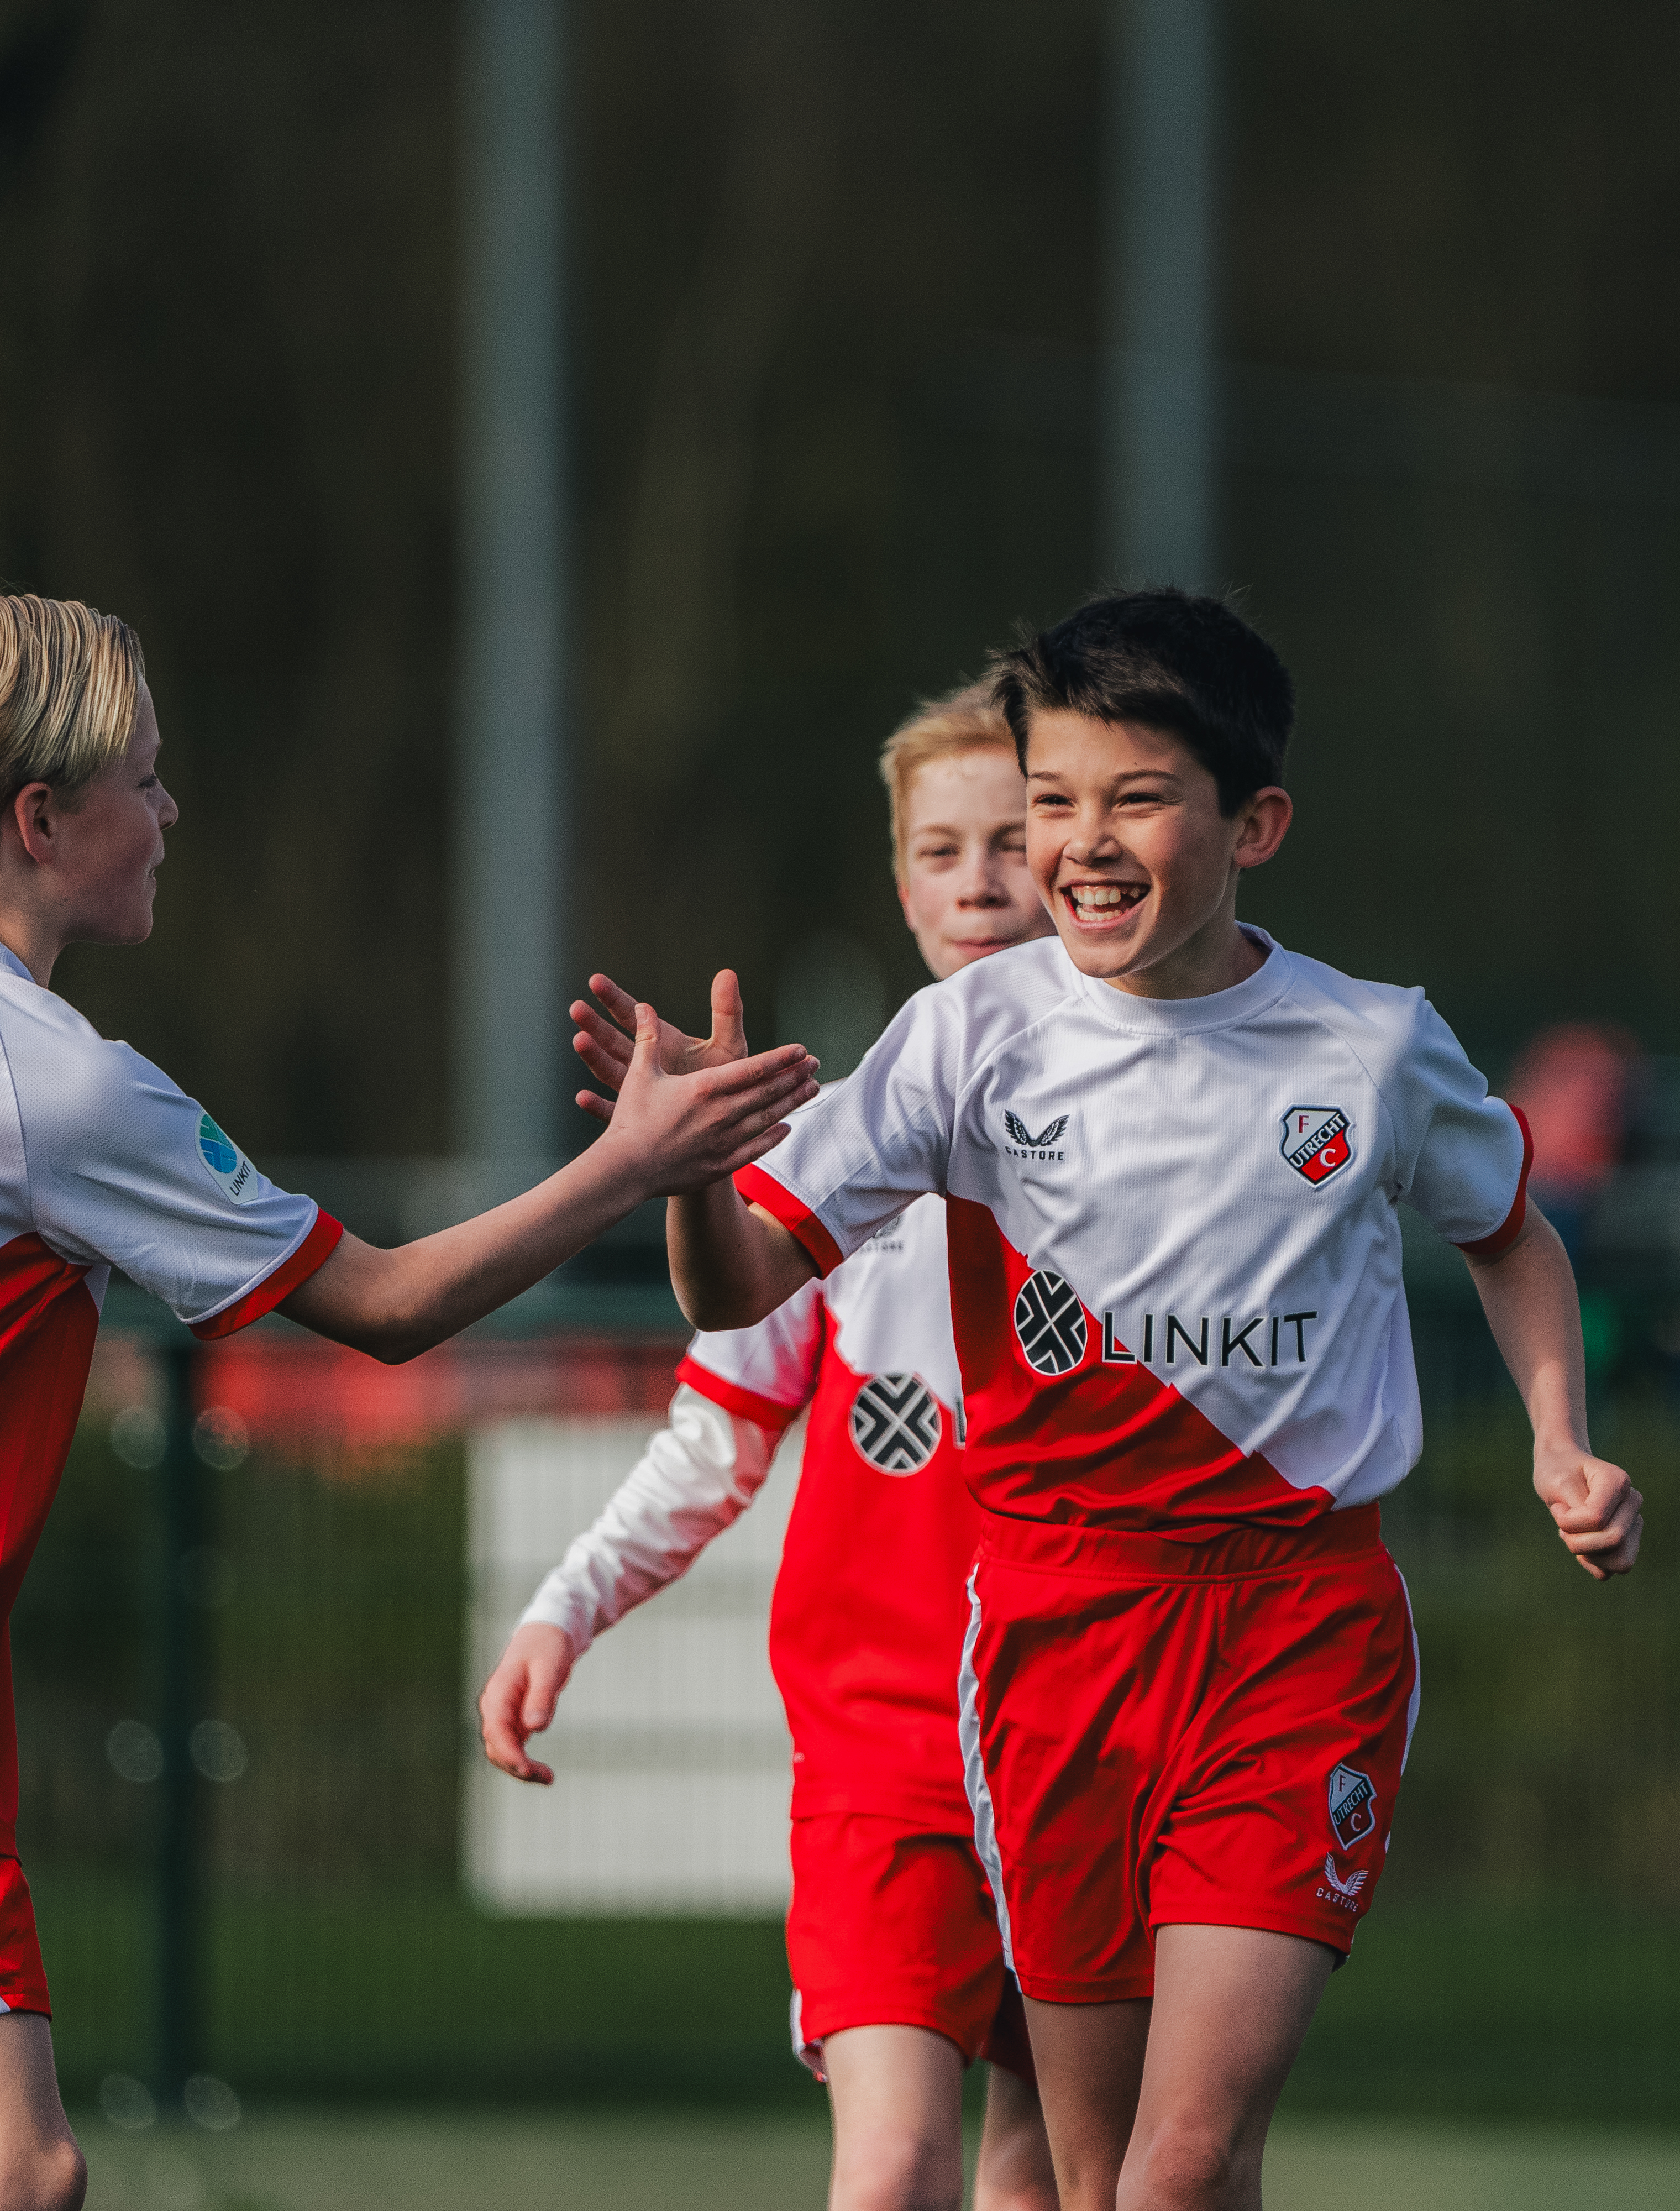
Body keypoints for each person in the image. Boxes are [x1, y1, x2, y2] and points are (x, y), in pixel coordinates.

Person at [0, 594, 817, 2211]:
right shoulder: (50, 1073)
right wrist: (629, 1165)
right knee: (13, 2165)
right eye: (146, 775)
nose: (172, 810)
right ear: (43, 820)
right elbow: (391, 1308)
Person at [603, 587, 1644, 2211]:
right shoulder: (964, 1043)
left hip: (1296, 1629)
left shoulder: (1371, 1048)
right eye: (1055, 804)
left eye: (1138, 800)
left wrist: (1561, 1439)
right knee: (1095, 2181)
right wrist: (675, 1172)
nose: (1082, 845)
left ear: (1258, 821)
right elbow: (740, 1286)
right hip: (1050, 1633)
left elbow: (1510, 1234)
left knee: (1179, 2165)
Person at [477, 679, 1060, 2211]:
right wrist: (565, 1606)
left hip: (1091, 1730)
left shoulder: (1159, 1142)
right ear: (901, 882)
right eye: (945, 848)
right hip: (884, 1757)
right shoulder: (826, 1152)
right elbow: (712, 1441)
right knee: (889, 2174)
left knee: (1053, 2176)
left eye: (1017, 836)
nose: (984, 877)